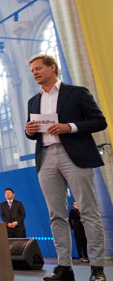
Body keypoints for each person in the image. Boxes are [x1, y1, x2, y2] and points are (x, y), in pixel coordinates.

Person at [25, 54, 107, 281]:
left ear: (53, 68)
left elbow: (99, 121)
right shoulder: (33, 101)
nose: (35, 73)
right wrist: (29, 130)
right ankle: (64, 267)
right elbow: (32, 134)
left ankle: (97, 268)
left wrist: (68, 127)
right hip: (46, 157)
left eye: (38, 69)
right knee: (56, 215)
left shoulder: (77, 92)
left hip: (75, 155)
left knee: (88, 212)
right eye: (32, 71)